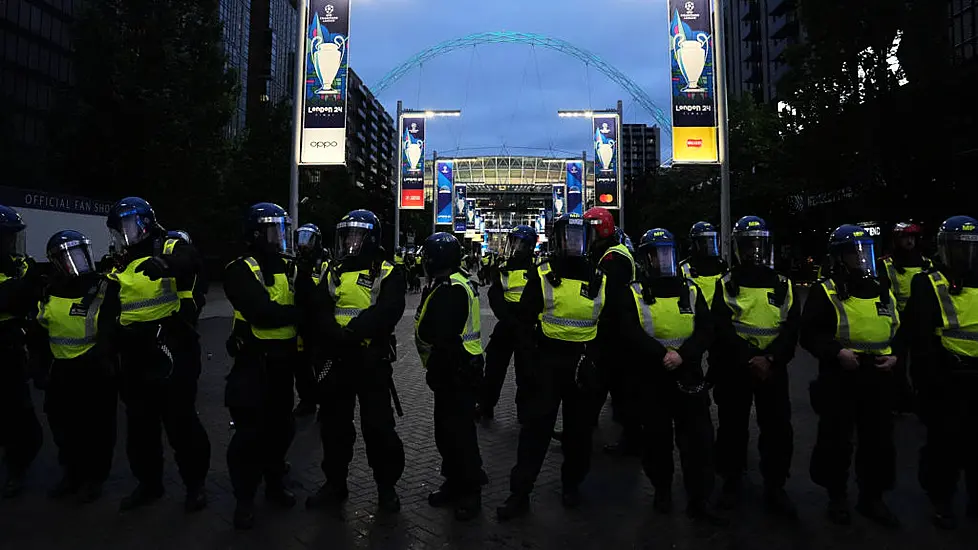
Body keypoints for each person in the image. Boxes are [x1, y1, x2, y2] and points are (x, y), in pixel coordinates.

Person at [496, 213, 610, 521]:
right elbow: (523, 320)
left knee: (579, 434)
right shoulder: (543, 273)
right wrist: (530, 360)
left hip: (582, 365)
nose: (574, 244)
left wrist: (595, 361)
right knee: (535, 432)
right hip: (547, 360)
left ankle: (572, 485)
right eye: (568, 237)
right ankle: (519, 493)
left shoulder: (600, 277)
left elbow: (609, 326)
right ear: (558, 240)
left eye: (580, 237)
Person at [103, 197, 211, 513]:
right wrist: (107, 351)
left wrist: (166, 264)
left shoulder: (168, 245)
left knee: (181, 422)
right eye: (117, 231)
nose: (123, 236)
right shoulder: (119, 264)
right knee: (139, 427)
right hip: (135, 355)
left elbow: (192, 261)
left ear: (145, 224)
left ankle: (195, 485)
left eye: (127, 227)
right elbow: (110, 311)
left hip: (172, 349)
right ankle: (149, 484)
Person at [801, 225, 902, 527]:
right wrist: (836, 353)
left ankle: (872, 497)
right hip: (841, 376)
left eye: (865, 251)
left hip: (878, 376)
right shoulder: (827, 290)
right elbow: (809, 333)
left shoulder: (882, 287)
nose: (861, 258)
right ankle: (837, 497)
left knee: (878, 441)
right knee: (836, 440)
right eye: (853, 253)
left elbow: (898, 328)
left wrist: (896, 354)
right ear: (839, 257)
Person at [621, 228, 724, 524]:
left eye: (666, 253)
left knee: (699, 442)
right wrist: (660, 355)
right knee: (656, 441)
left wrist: (683, 355)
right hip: (651, 377)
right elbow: (629, 331)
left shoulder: (690, 290)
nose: (661, 260)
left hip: (688, 375)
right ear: (645, 259)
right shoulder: (635, 292)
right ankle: (662, 489)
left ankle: (699, 498)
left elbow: (706, 329)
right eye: (655, 254)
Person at [306, 209, 406, 514]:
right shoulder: (332, 268)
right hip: (337, 360)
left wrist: (352, 333)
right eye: (347, 235)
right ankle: (335, 484)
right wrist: (332, 335)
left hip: (370, 360)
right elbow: (319, 305)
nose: (350, 241)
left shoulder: (388, 270)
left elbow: (389, 309)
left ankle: (386, 488)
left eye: (356, 235)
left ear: (371, 239)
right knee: (334, 428)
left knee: (378, 428)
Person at [711, 215, 800, 517]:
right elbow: (721, 327)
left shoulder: (783, 284)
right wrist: (750, 357)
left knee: (777, 431)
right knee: (732, 429)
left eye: (758, 245)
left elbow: (791, 329)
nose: (754, 252)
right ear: (738, 248)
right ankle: (731, 482)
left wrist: (771, 358)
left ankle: (775, 486)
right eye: (748, 246)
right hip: (737, 368)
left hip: (772, 369)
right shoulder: (726, 284)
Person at [224, 202, 305, 529]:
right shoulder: (238, 269)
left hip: (284, 363)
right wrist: (300, 314)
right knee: (247, 435)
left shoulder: (291, 268)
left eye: (281, 231)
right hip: (253, 364)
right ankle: (244, 499)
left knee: (281, 428)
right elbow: (261, 312)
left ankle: (273, 483)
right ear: (256, 235)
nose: (278, 238)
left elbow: (311, 302)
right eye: (273, 232)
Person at [29, 231, 118, 503]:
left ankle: (94, 479)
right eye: (69, 256)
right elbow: (39, 332)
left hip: (94, 369)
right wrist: (39, 368)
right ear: (56, 262)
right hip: (62, 371)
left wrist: (103, 357)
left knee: (97, 429)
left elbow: (110, 329)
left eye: (80, 254)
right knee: (64, 427)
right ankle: (72, 474)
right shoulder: (48, 290)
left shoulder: (104, 287)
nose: (76, 261)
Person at [903, 215, 978, 530]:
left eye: (970, 247)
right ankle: (941, 500)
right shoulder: (929, 282)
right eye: (957, 247)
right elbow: (919, 338)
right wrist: (924, 386)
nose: (964, 254)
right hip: (947, 378)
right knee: (943, 445)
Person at [415, 232, 485, 521]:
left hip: (457, 371)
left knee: (460, 434)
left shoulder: (452, 288)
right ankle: (454, 481)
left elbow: (444, 336)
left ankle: (470, 490)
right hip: (452, 371)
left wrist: (438, 370)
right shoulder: (448, 282)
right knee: (447, 433)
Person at [583, 208, 638, 456]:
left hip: (615, 332)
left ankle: (631, 438)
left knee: (618, 387)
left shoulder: (613, 259)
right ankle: (582, 427)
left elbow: (608, 296)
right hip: (610, 332)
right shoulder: (605, 253)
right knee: (596, 383)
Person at [0, 205, 43, 497]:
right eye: (7, 238)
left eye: (14, 237)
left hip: (12, 347)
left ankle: (17, 468)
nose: (11, 244)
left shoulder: (22, 266)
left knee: (20, 414)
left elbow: (35, 302)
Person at [478, 225, 537, 421]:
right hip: (507, 326)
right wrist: (508, 318)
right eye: (514, 242)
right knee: (493, 369)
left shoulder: (538, 271)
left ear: (529, 247)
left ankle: (525, 411)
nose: (515, 247)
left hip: (527, 327)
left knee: (526, 373)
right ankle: (486, 406)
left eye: (520, 244)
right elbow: (494, 296)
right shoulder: (503, 269)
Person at [877, 222, 930, 414]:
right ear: (896, 240)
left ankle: (921, 397)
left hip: (922, 322)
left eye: (913, 237)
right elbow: (884, 294)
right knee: (896, 363)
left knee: (923, 363)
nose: (909, 241)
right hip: (898, 322)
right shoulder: (887, 264)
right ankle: (899, 400)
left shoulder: (927, 263)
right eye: (905, 237)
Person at [294, 223, 324, 418]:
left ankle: (325, 402)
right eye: (302, 239)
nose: (304, 245)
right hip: (300, 321)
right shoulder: (294, 262)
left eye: (309, 239)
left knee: (320, 363)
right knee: (301, 364)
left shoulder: (323, 261)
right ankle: (307, 400)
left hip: (318, 321)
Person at [680, 221, 728, 307]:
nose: (709, 246)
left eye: (711, 241)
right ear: (694, 244)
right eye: (704, 242)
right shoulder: (683, 269)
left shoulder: (723, 268)